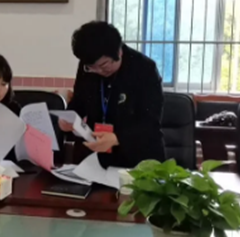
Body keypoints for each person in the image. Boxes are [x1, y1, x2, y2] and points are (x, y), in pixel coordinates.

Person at [59, 21, 165, 169]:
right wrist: (69, 118)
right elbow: (79, 101)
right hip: (97, 157)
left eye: (104, 65)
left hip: (137, 159)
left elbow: (150, 121)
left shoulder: (144, 69)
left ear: (119, 52)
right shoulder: (87, 66)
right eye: (91, 67)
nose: (98, 71)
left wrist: (117, 138)